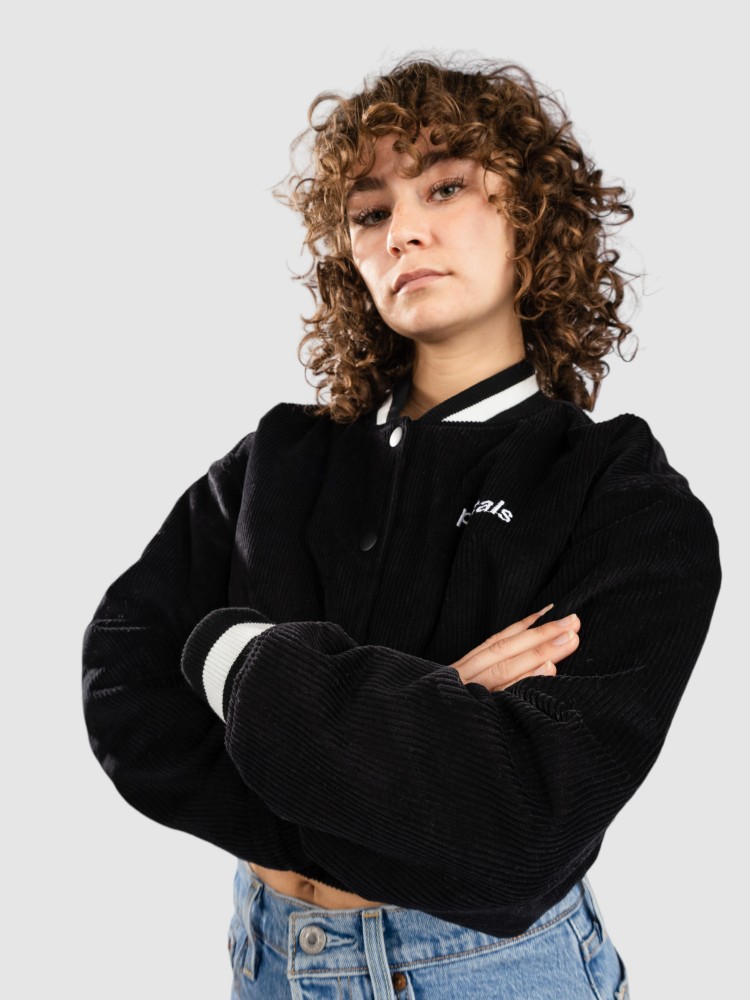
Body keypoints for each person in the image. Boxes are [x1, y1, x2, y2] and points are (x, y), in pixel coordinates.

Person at [81, 53, 722, 999]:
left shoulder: (622, 498)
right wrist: (437, 703)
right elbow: (121, 685)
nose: (403, 231)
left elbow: (523, 827)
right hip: (268, 957)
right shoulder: (278, 459)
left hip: (490, 973)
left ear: (531, 213)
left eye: (445, 187)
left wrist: (231, 655)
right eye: (371, 212)